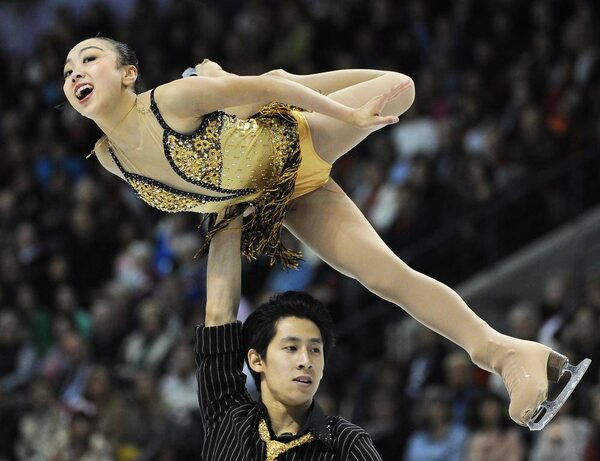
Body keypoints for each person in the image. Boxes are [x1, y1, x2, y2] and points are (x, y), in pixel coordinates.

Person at [63, 36, 587, 429]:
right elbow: (207, 194)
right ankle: (510, 356)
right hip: (280, 195)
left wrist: (346, 114)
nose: (76, 72)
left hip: (296, 137)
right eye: (67, 70)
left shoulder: (172, 100)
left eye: (89, 58)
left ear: (129, 73)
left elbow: (268, 90)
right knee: (386, 278)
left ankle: (288, 89)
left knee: (398, 89)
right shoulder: (110, 158)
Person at [197, 215, 382, 459]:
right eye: (291, 348)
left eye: (315, 350)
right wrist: (228, 209)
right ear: (257, 360)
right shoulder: (228, 416)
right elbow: (218, 315)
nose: (306, 361)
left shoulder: (345, 444)